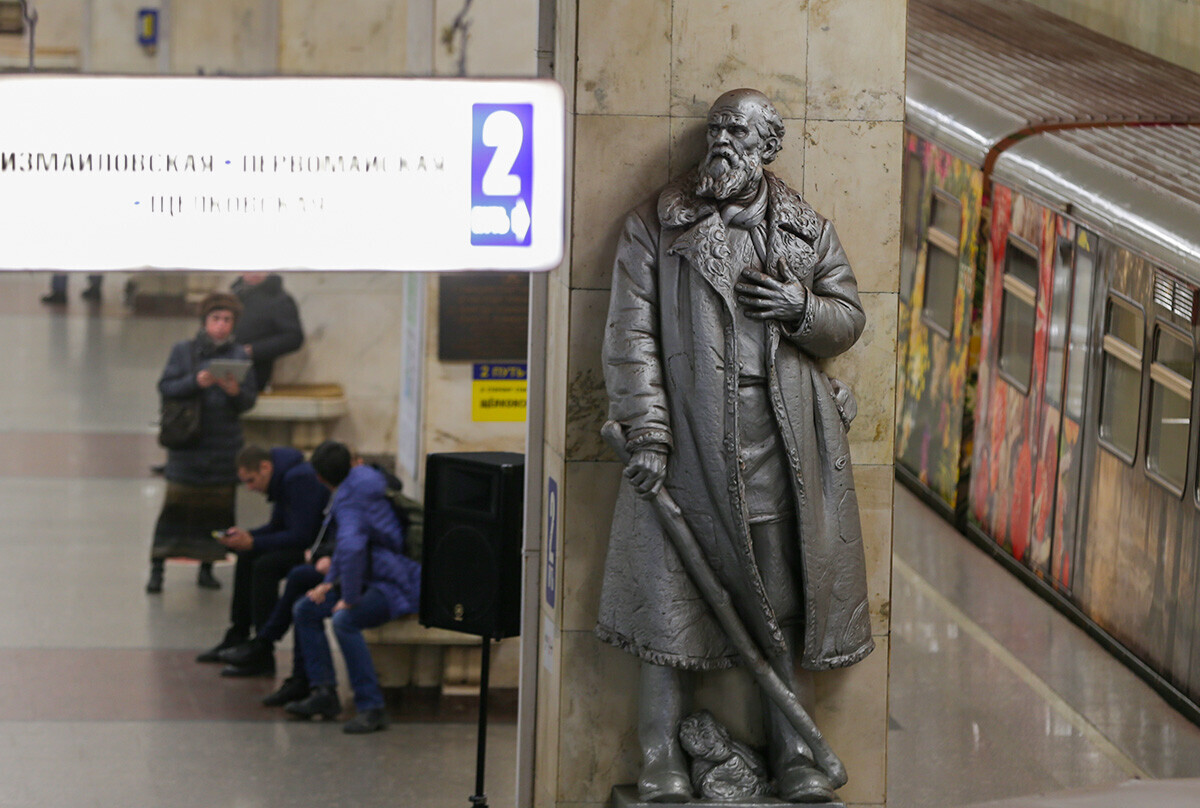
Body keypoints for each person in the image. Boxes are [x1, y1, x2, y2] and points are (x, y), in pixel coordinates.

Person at [596, 89, 873, 803]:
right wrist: (648, 431)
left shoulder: (806, 231)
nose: (721, 141)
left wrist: (802, 309)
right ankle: (659, 755)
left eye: (738, 132)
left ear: (766, 147)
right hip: (687, 442)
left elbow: (847, 318)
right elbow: (631, 340)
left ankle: (796, 756)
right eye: (716, 128)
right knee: (670, 596)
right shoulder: (654, 226)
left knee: (781, 602)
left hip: (777, 445)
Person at [284, 441, 421, 734]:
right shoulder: (363, 478)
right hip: (371, 575)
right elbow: (348, 550)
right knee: (306, 608)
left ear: (320, 478)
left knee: (345, 620)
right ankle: (324, 693)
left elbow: (353, 548)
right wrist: (328, 584)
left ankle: (371, 707)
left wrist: (348, 598)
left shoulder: (350, 499)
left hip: (395, 582)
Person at [147, 292, 258, 593]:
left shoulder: (239, 357)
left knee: (218, 512)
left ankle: (208, 567)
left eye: (227, 320)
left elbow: (249, 401)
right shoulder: (183, 351)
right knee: (175, 510)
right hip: (188, 445)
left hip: (223, 448)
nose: (221, 326)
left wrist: (235, 391)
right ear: (205, 321)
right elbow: (166, 387)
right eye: (216, 319)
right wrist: (195, 382)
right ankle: (157, 569)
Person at [196, 445, 330, 676]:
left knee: (265, 566)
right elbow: (277, 527)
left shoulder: (299, 479)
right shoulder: (284, 478)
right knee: (247, 555)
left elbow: (301, 535)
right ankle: (238, 633)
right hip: (304, 545)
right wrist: (247, 537)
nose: (250, 488)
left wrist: (254, 542)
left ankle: (262, 647)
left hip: (317, 551)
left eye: (251, 480)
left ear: (266, 467)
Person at [231, 273, 304, 391]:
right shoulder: (234, 295)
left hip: (255, 378)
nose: (254, 272)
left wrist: (253, 350)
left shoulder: (278, 299)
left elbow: (294, 337)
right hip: (226, 373)